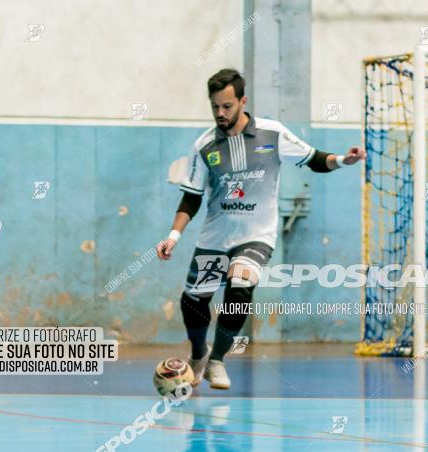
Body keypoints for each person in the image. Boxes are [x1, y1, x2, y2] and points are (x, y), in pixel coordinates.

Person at [156, 68, 365, 389]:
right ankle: (199, 353)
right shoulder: (204, 146)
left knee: (239, 289)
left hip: (256, 236)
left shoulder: (272, 133)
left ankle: (217, 361)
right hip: (215, 237)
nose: (220, 113)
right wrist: (173, 236)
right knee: (193, 301)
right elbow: (191, 198)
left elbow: (313, 158)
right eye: (214, 107)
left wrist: (342, 160)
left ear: (243, 101)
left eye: (226, 106)